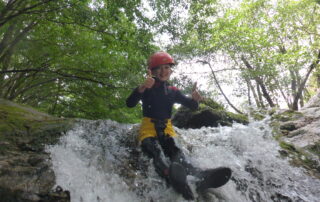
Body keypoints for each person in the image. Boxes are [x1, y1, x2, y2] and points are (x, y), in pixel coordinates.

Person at [126, 51, 203, 200]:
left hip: (167, 127)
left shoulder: (173, 91)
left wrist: (195, 100)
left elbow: (192, 106)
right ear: (152, 71)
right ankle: (170, 176)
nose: (163, 72)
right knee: (154, 152)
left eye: (166, 67)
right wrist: (142, 87)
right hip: (148, 127)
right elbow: (130, 104)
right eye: (159, 69)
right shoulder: (146, 87)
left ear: (171, 70)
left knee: (176, 152)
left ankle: (198, 175)